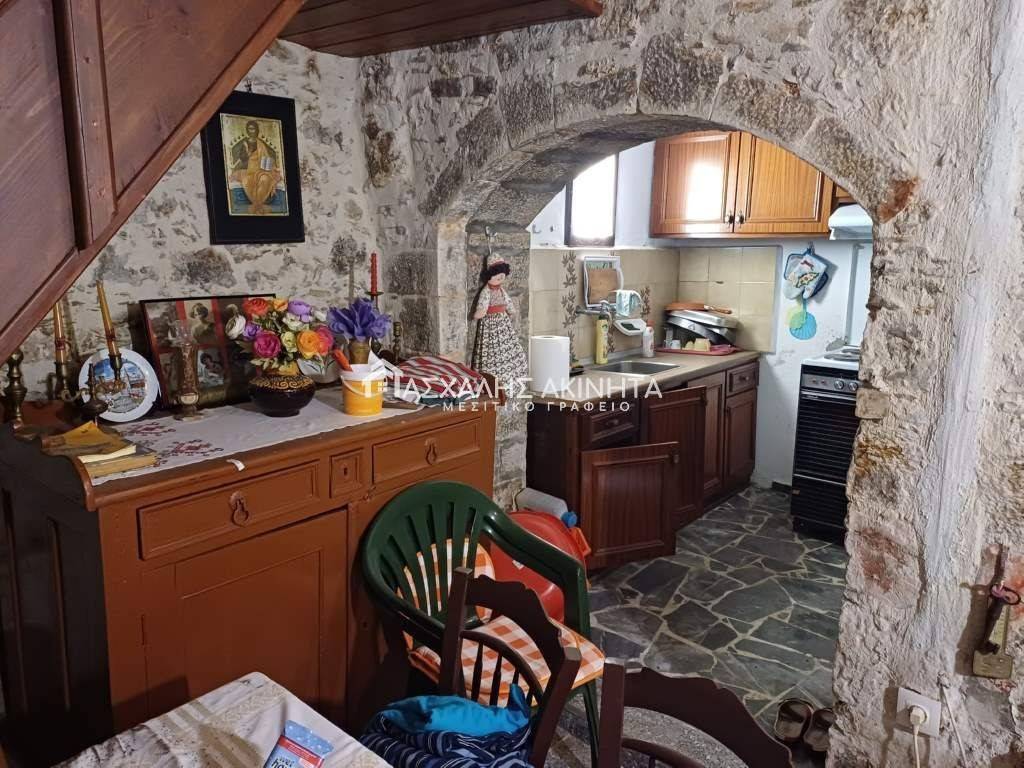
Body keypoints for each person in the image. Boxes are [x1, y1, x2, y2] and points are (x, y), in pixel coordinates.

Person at [470, 252, 527, 391]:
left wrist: (511, 310)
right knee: (491, 350)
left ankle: (509, 380)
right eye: (497, 273)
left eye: (502, 273)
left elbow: (507, 302)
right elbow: (483, 306)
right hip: (490, 323)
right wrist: (480, 312)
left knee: (508, 349)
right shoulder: (486, 291)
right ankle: (492, 381)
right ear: (490, 274)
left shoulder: (501, 290)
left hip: (503, 322)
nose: (500, 276)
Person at [228, 120, 283, 215]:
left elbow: (268, 156)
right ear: (247, 130)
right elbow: (242, 158)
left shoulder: (261, 144)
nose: (251, 131)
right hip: (249, 170)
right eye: (249, 129)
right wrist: (248, 154)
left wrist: (271, 164)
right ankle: (258, 205)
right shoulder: (244, 143)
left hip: (261, 170)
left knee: (265, 179)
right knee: (247, 180)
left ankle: (258, 203)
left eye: (253, 128)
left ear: (256, 130)